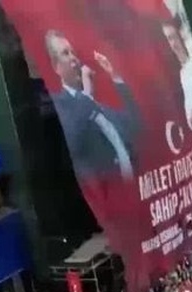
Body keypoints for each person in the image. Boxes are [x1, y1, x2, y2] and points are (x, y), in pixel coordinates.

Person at [43, 30, 141, 180]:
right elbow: (73, 142)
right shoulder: (58, 105)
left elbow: (135, 123)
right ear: (56, 67)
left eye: (73, 53)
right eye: (66, 53)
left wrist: (114, 75)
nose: (74, 59)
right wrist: (87, 93)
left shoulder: (98, 108)